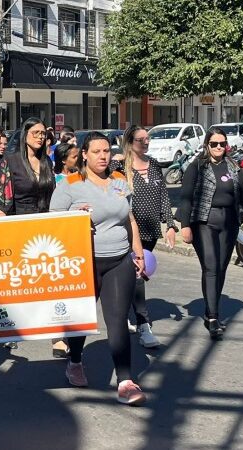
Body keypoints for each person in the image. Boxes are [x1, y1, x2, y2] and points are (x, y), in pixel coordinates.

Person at [50, 131, 148, 406]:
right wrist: (73, 218)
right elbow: (52, 225)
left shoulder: (119, 181)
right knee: (82, 318)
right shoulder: (69, 185)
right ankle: (75, 360)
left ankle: (126, 381)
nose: (103, 156)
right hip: (83, 262)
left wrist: (137, 253)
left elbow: (129, 219)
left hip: (119, 259)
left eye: (106, 151)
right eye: (96, 151)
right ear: (84, 154)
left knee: (117, 320)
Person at [177, 128, 243, 339]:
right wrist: (184, 225)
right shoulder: (197, 166)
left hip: (229, 223)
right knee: (210, 267)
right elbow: (185, 197)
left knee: (220, 268)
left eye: (222, 144)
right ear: (206, 145)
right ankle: (212, 316)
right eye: (214, 144)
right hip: (204, 222)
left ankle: (211, 306)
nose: (219, 147)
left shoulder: (233, 166)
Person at [107, 125, 176, 348]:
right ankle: (145, 325)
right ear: (129, 142)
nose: (145, 143)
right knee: (138, 274)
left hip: (151, 229)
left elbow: (164, 195)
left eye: (147, 139)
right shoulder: (119, 166)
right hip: (128, 231)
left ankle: (127, 311)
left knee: (137, 275)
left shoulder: (154, 164)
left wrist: (171, 224)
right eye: (140, 140)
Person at [0, 117, 56, 350]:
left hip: (45, 226)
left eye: (43, 133)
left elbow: (53, 195)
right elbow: (1, 201)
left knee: (46, 279)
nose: (40, 136)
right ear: (25, 134)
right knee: (19, 281)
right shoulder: (10, 161)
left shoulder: (47, 162)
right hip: (19, 223)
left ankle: (54, 328)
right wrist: (6, 230)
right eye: (36, 132)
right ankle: (12, 327)